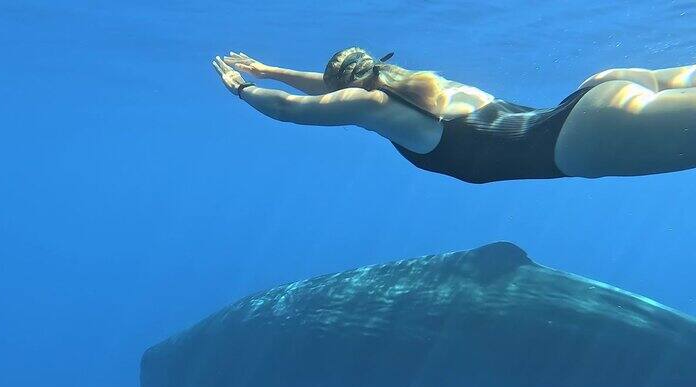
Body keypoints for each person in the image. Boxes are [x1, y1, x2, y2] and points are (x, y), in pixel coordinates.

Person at [212, 48, 696, 184]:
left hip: (584, 139)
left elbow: (292, 110)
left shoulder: (378, 107)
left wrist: (244, 89)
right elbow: (330, 86)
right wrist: (269, 68)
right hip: (598, 93)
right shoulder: (423, 85)